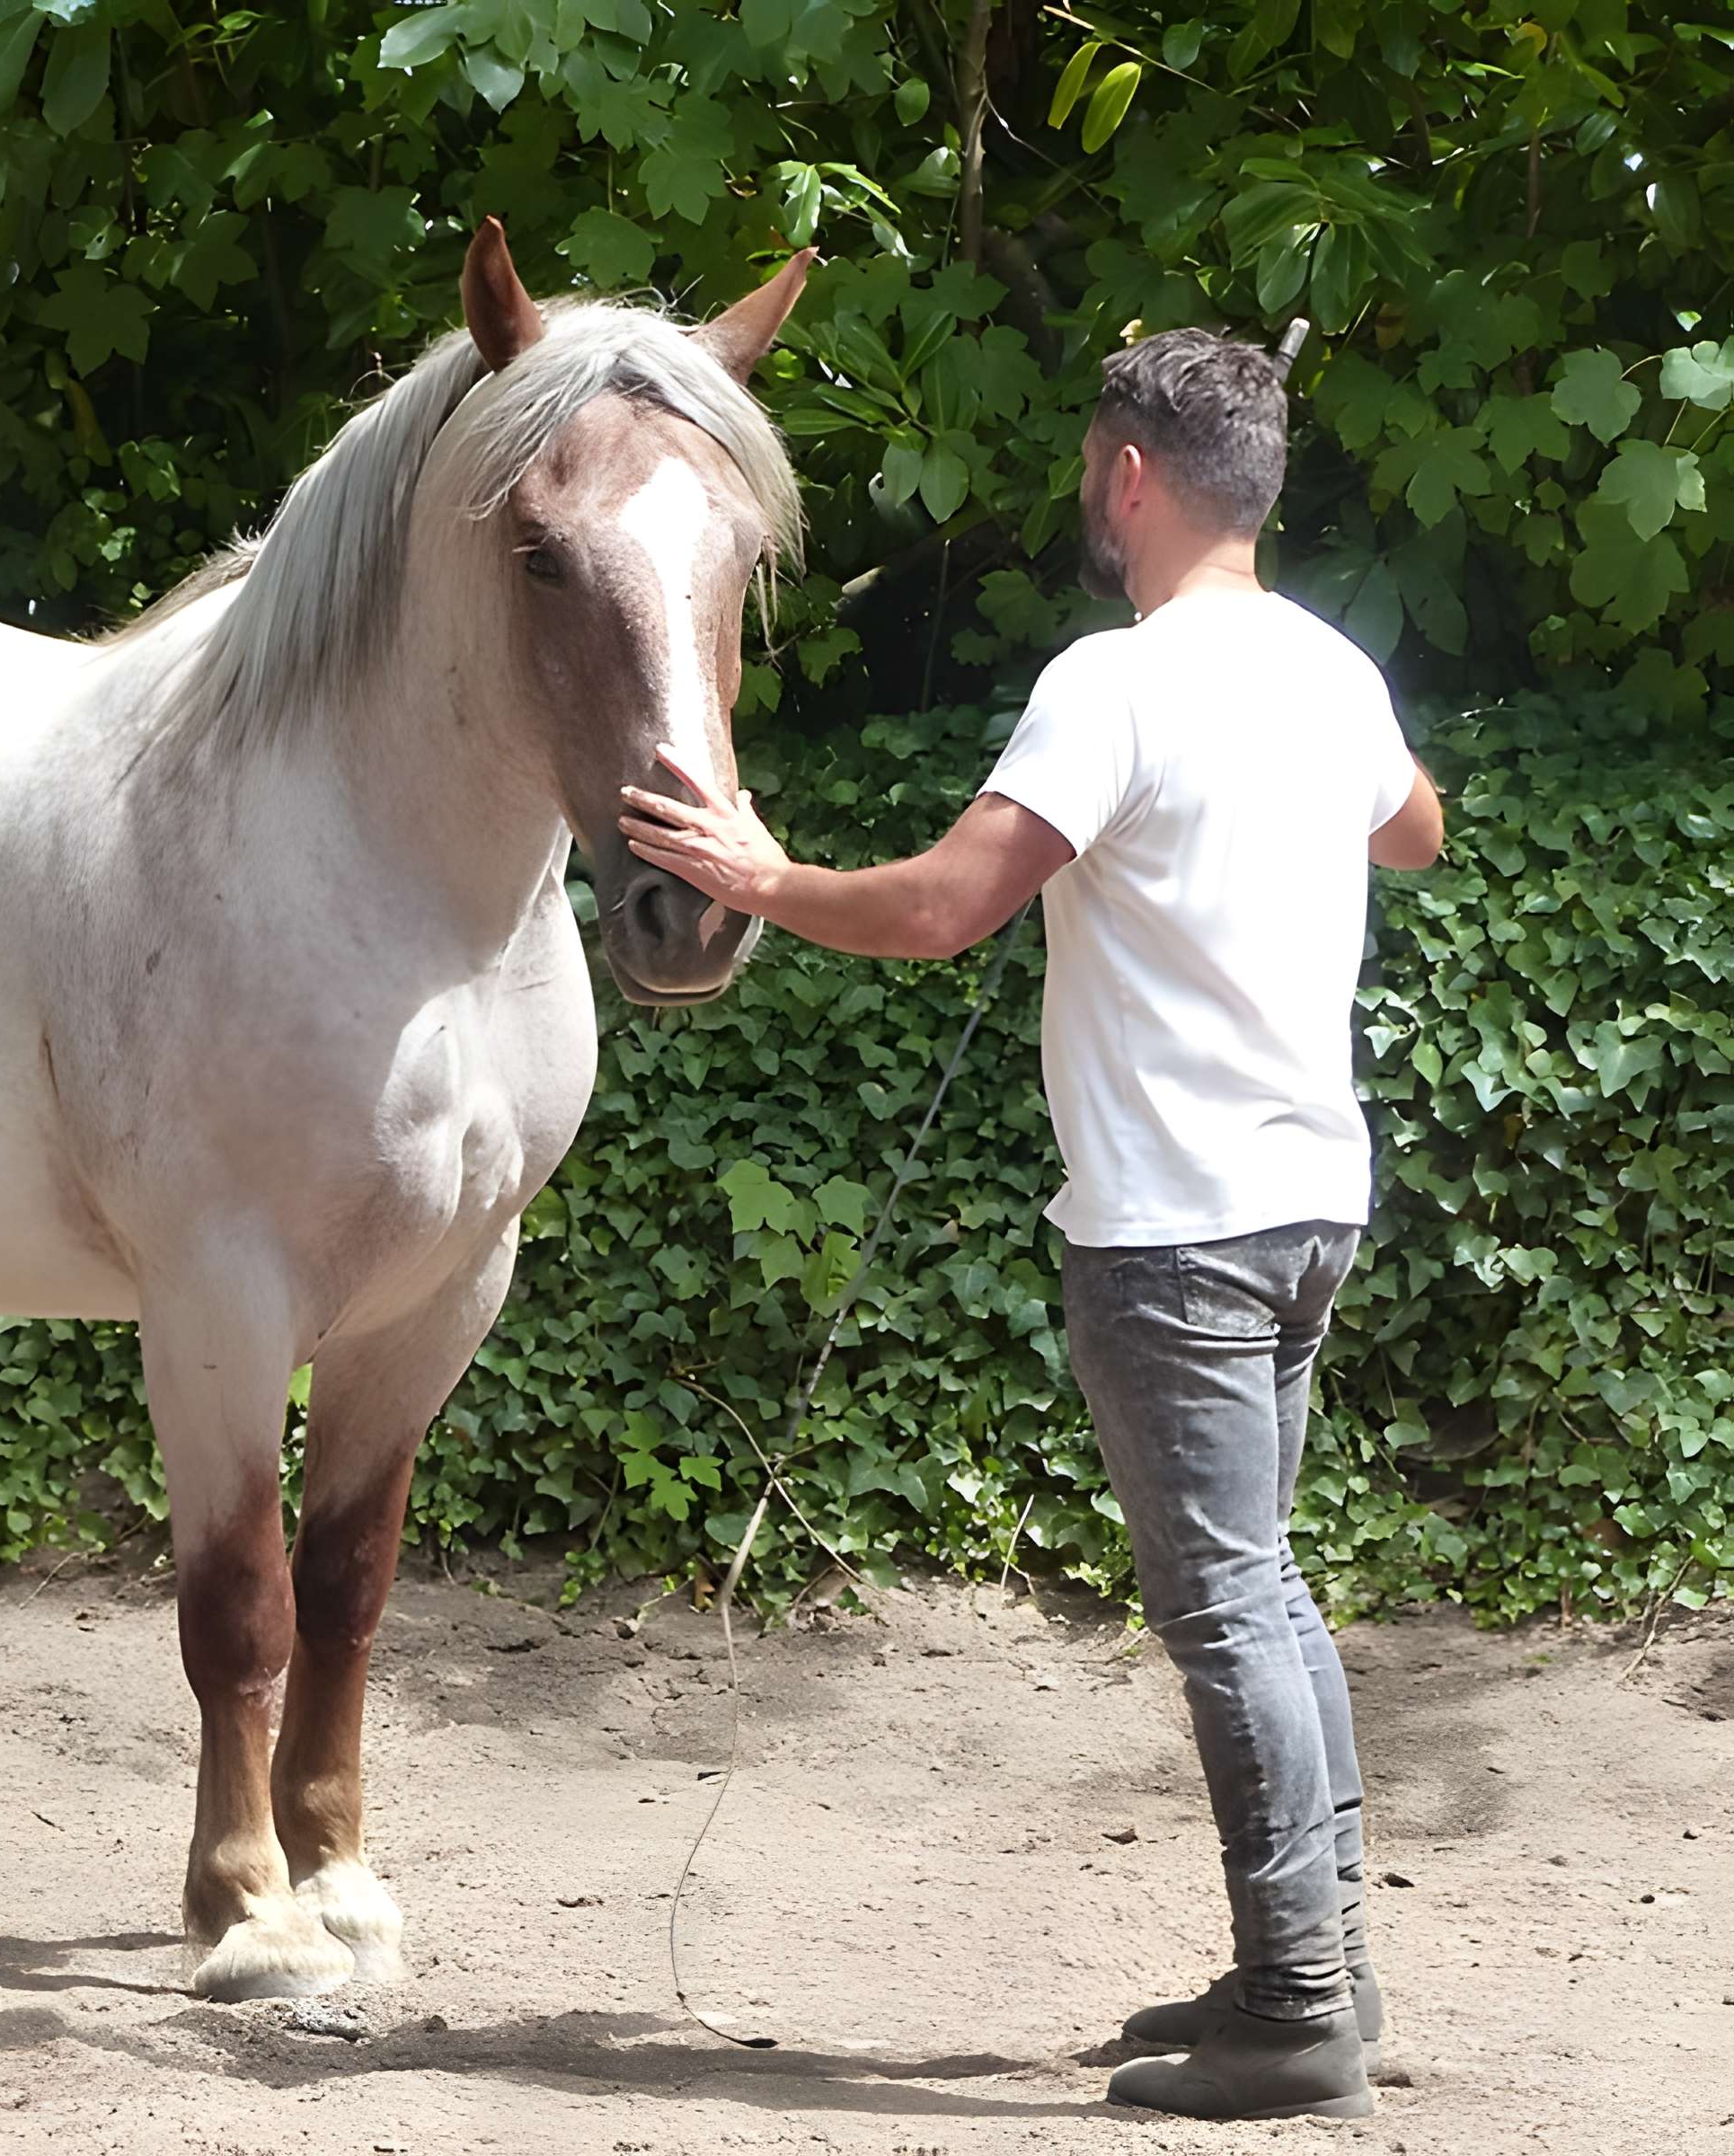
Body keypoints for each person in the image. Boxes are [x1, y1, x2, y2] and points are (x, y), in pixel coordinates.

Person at [618, 326, 1445, 2124]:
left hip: (1174, 1227)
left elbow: (940, 911)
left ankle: (1300, 2010)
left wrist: (758, 875)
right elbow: (1415, 834)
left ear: (1130, 477)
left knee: (1226, 1607)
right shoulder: (1330, 671)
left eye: (1089, 461)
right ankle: (1319, 1965)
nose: (1084, 486)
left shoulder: (1115, 684)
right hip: (1310, 1202)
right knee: (1266, 1588)